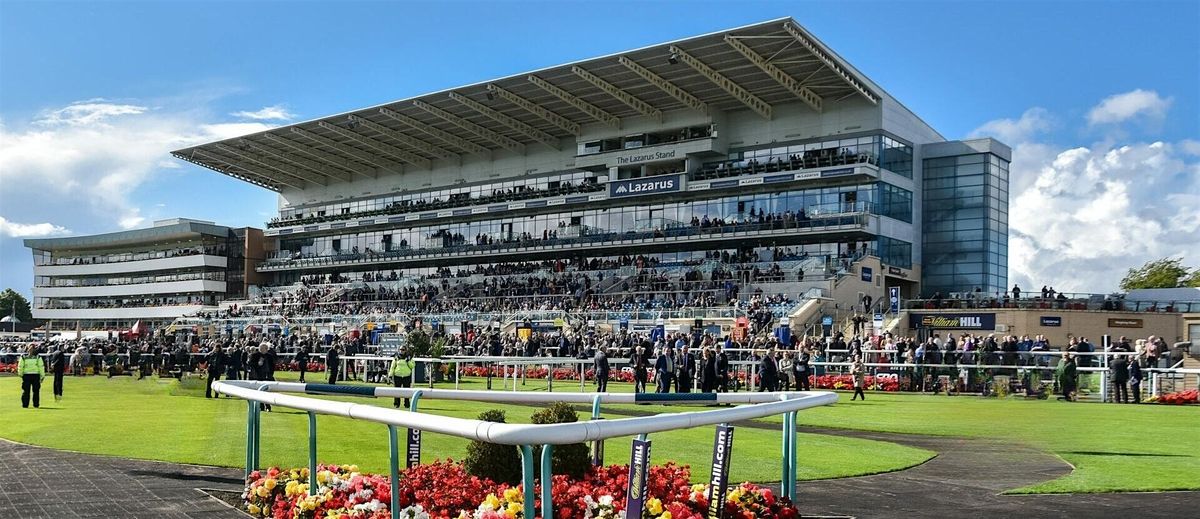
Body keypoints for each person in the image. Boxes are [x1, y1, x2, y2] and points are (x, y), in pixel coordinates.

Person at [18, 344, 45, 408]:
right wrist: (42, 376)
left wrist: (21, 374)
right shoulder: (36, 357)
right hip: (32, 375)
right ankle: (32, 404)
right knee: (32, 391)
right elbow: (41, 366)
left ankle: (29, 404)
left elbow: (20, 366)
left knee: (29, 391)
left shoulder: (25, 356)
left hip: (30, 375)